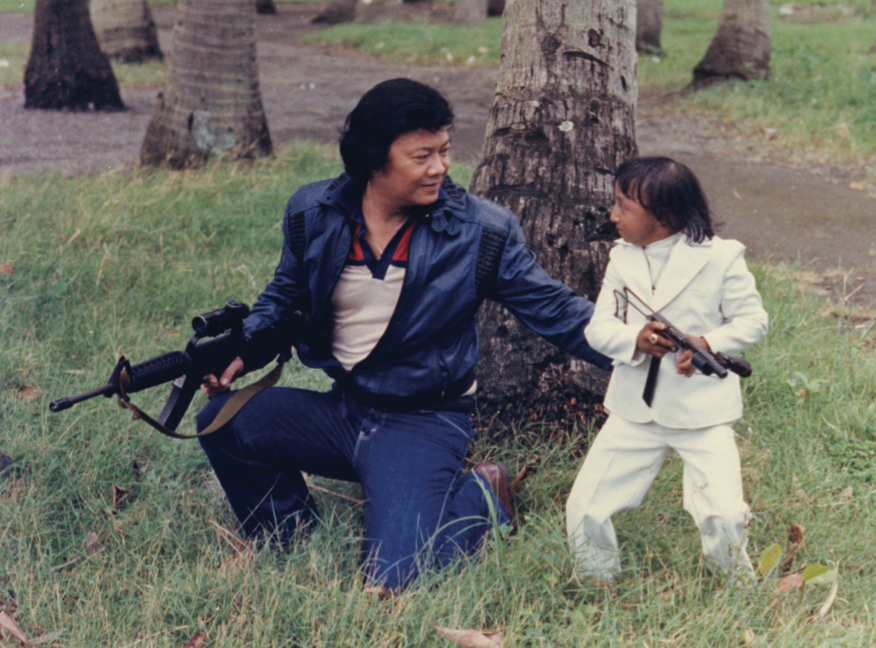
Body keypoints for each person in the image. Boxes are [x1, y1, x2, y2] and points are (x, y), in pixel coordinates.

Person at [196, 78, 612, 591]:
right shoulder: (313, 212)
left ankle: (483, 494)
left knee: (399, 581)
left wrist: (640, 350)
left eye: (444, 151)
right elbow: (284, 298)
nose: (440, 167)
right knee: (223, 421)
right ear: (374, 158)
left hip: (424, 419)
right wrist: (245, 350)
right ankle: (288, 536)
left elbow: (557, 310)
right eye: (422, 156)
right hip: (344, 409)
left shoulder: (481, 232)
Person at [565, 156, 769, 583]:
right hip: (635, 408)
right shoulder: (621, 258)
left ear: (664, 215)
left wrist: (706, 343)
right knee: (586, 506)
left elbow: (753, 320)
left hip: (702, 411)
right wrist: (635, 339)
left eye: (623, 206)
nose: (613, 215)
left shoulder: (720, 256)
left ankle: (735, 586)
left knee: (724, 513)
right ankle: (596, 582)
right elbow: (599, 328)